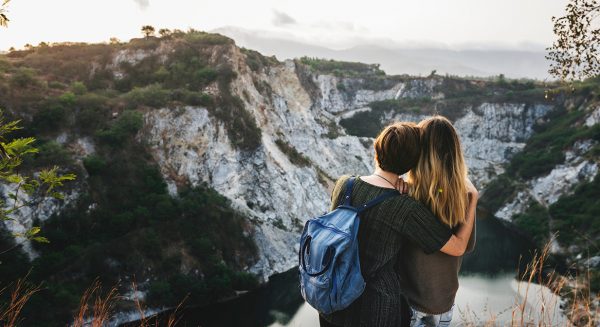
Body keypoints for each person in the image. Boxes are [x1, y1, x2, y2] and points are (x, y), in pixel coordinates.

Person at [318, 121, 477, 327]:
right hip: (381, 308)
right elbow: (460, 246)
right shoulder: (405, 207)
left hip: (332, 296)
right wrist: (472, 200)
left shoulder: (344, 184)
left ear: (376, 149)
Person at [397, 116, 477, 327]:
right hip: (443, 302)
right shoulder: (463, 195)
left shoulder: (405, 192)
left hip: (409, 299)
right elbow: (465, 246)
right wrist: (473, 200)